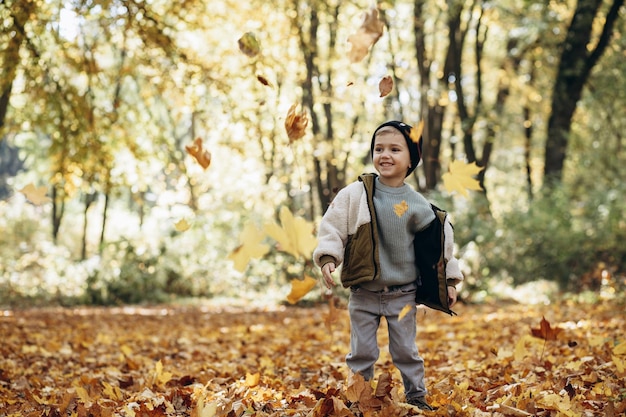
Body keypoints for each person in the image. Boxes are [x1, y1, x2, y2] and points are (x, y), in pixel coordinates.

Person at [313, 120, 464, 411]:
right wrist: (329, 258)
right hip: (364, 292)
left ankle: (416, 394)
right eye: (379, 148)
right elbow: (333, 225)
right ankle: (359, 396)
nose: (385, 154)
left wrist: (450, 281)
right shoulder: (356, 194)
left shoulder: (416, 204)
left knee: (406, 350)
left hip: (403, 294)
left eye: (395, 149)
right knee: (362, 351)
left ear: (411, 160)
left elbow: (440, 242)